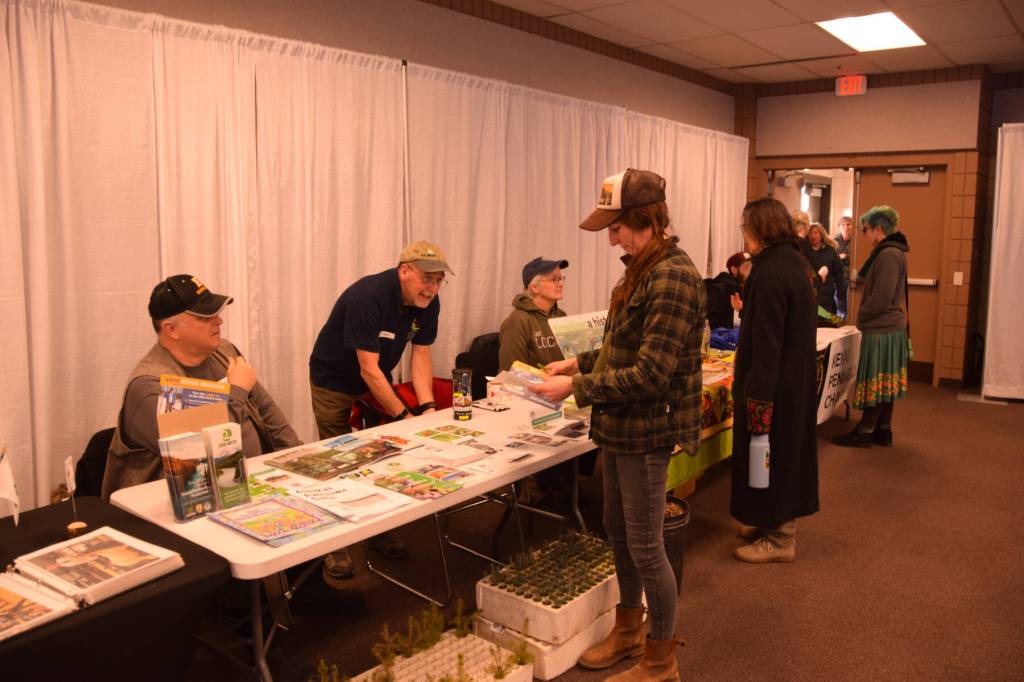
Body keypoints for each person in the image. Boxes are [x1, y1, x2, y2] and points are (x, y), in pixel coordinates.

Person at [532, 169, 704, 682]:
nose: (611, 238)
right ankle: (629, 632)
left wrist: (577, 390)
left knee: (647, 548)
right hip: (619, 425)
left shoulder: (672, 276)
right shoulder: (642, 269)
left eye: (618, 227)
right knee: (619, 534)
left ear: (645, 220)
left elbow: (651, 373)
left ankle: (660, 662)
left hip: (647, 430)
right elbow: (624, 346)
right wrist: (579, 366)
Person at [308, 241, 451, 580]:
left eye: (439, 280)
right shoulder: (367, 297)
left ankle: (377, 530)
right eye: (427, 279)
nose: (432, 289)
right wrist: (404, 418)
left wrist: (427, 408)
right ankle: (334, 547)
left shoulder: (428, 303)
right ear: (405, 271)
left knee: (381, 458)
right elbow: (367, 368)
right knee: (337, 463)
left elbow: (420, 356)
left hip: (376, 378)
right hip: (334, 380)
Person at [101, 274, 301, 499]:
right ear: (171, 330)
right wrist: (237, 392)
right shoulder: (149, 385)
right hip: (176, 504)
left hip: (247, 485)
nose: (219, 321)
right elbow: (200, 452)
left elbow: (267, 410)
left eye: (216, 313)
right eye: (205, 317)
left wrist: (296, 458)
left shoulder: (225, 352)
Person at [729, 198, 819, 564]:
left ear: (759, 229)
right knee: (771, 453)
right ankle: (765, 519)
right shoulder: (795, 261)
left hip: (773, 385)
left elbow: (767, 344)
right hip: (792, 381)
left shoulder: (769, 273)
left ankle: (781, 537)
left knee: (771, 453)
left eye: (744, 227)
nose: (743, 235)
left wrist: (758, 397)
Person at [834, 206, 910, 448]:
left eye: (865, 230)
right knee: (886, 381)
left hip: (881, 329)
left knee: (875, 380)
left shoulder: (887, 255)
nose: (863, 235)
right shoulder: (895, 252)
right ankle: (883, 430)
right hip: (890, 328)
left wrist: (862, 315)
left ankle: (866, 430)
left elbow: (881, 297)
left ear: (878, 230)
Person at [498, 256, 569, 371]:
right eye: (553, 279)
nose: (560, 284)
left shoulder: (561, 316)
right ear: (534, 287)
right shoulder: (517, 322)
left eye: (561, 278)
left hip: (563, 386)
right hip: (534, 388)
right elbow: (512, 372)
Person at [805, 222, 847, 316]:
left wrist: (841, 295)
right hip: (809, 295)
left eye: (816, 233)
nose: (813, 236)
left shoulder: (830, 251)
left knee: (827, 323)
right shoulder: (804, 251)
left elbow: (838, 274)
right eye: (811, 233)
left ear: (821, 235)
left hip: (826, 297)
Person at [705, 251, 751, 328]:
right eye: (746, 267)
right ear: (734, 269)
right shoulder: (721, 289)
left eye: (751, 267)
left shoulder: (744, 290)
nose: (750, 272)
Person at [834, 216, 854, 316]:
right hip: (837, 280)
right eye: (843, 225)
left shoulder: (856, 242)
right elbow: (832, 259)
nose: (846, 227)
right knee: (839, 308)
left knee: (850, 308)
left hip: (851, 280)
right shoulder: (834, 242)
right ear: (839, 227)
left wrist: (846, 257)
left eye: (849, 224)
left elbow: (857, 258)